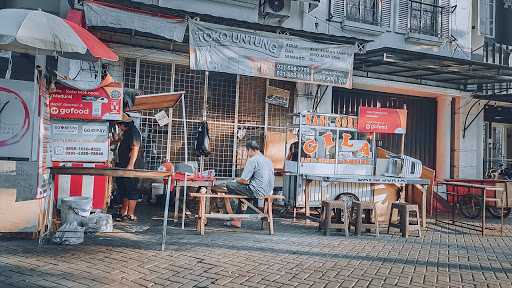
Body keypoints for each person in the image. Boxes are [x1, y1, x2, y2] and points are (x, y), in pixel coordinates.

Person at [226, 140, 274, 228]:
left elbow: (244, 180)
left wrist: (235, 180)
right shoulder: (268, 160)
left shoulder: (253, 160)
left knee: (229, 185)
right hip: (269, 191)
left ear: (250, 150)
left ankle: (234, 217)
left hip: (256, 191)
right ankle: (237, 220)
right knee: (243, 193)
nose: (247, 154)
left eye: (247, 151)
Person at [115, 114, 144, 221]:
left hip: (132, 166)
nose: (118, 127)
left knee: (132, 189)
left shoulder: (133, 132)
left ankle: (130, 214)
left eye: (118, 125)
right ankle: (123, 212)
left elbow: (135, 148)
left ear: (123, 124)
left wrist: (130, 165)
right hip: (124, 165)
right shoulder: (127, 132)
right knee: (124, 188)